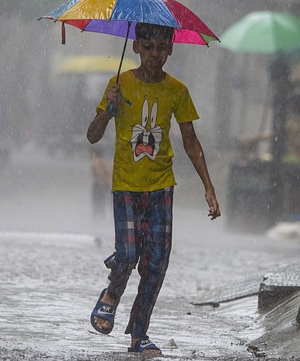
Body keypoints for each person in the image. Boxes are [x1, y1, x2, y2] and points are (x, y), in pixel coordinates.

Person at [86, 22, 221, 355]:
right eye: (148, 47)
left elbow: (191, 142)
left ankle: (139, 333)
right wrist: (109, 108)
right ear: (136, 47)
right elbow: (93, 135)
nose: (155, 55)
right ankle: (112, 293)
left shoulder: (177, 90)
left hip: (161, 188)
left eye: (162, 47)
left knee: (156, 263)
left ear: (171, 48)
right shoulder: (118, 84)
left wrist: (209, 187)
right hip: (126, 188)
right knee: (129, 253)